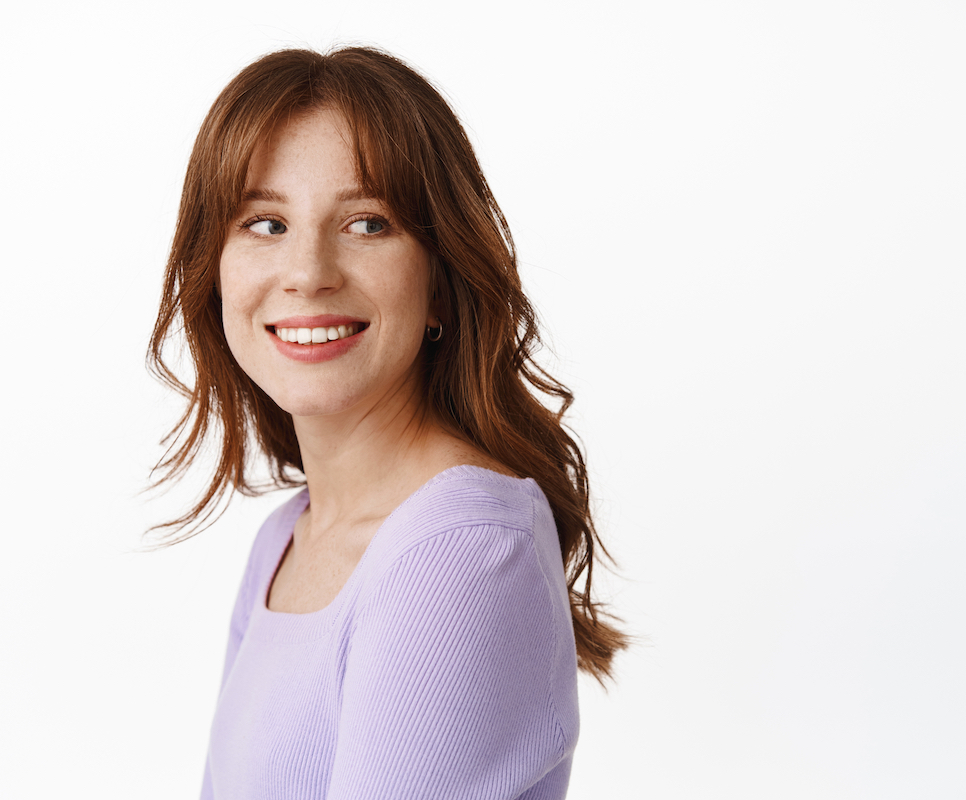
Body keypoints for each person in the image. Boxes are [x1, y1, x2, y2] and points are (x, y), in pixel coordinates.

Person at [147, 46, 625, 799]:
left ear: (441, 279)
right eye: (265, 223)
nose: (307, 271)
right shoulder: (287, 540)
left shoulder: (462, 551)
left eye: (368, 224)